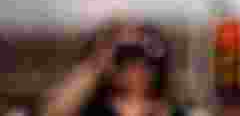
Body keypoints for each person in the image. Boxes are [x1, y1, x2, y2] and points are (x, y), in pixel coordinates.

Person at [39, 21, 187, 116]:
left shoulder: (169, 110)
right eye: (126, 60)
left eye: (148, 61)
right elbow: (54, 111)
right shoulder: (93, 108)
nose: (137, 69)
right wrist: (97, 64)